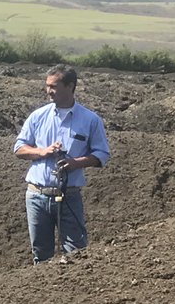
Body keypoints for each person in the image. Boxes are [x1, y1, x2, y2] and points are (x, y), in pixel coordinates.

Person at [13, 65, 111, 263]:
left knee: (76, 251)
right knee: (40, 253)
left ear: (70, 86)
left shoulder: (90, 120)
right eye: (47, 86)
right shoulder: (38, 116)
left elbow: (102, 154)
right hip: (37, 196)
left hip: (69, 195)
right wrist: (42, 151)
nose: (48, 91)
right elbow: (19, 148)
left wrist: (76, 163)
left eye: (54, 86)